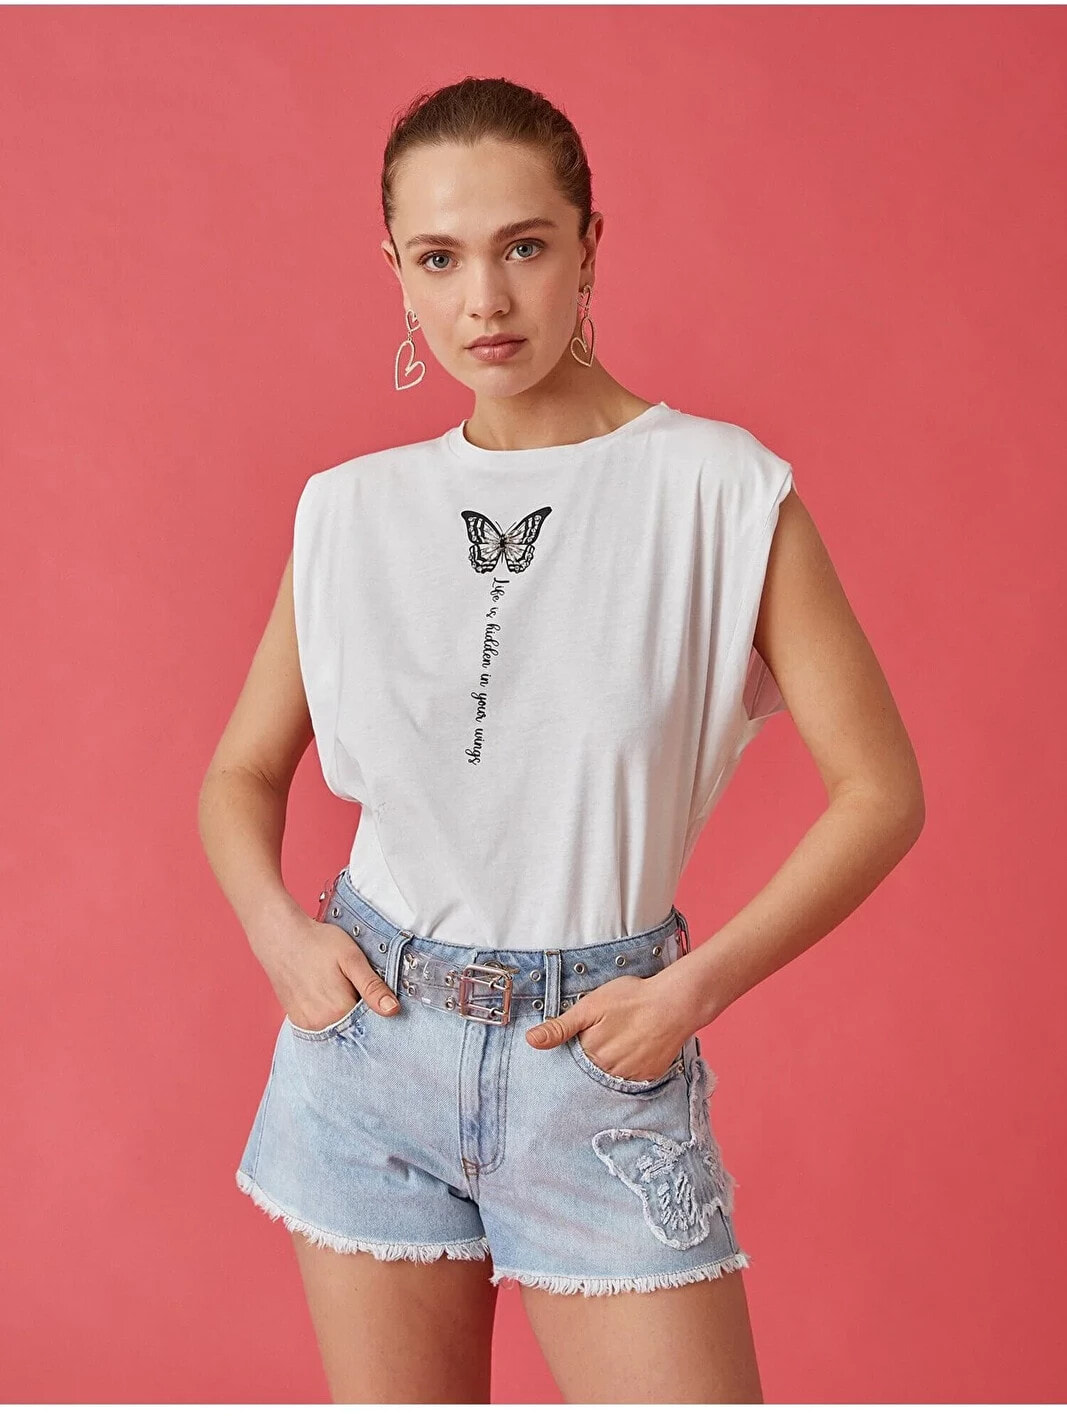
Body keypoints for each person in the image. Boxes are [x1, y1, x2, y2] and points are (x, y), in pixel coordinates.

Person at [197, 77, 924, 1403]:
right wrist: (278, 934)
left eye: (524, 246)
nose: (485, 299)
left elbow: (881, 791)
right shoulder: (349, 512)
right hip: (368, 1054)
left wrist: (692, 992)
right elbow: (243, 770)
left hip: (596, 1061)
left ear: (592, 244)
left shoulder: (718, 490)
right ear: (395, 270)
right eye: (439, 257)